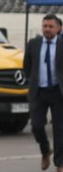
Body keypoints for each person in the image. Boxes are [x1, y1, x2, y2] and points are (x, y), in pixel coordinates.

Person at [23, 14, 63, 172]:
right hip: (39, 92)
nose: (47, 29)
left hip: (58, 92)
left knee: (60, 130)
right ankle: (45, 150)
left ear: (59, 28)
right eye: (45, 26)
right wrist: (33, 82)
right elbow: (27, 66)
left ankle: (60, 163)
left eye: (50, 26)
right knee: (37, 126)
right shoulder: (33, 44)